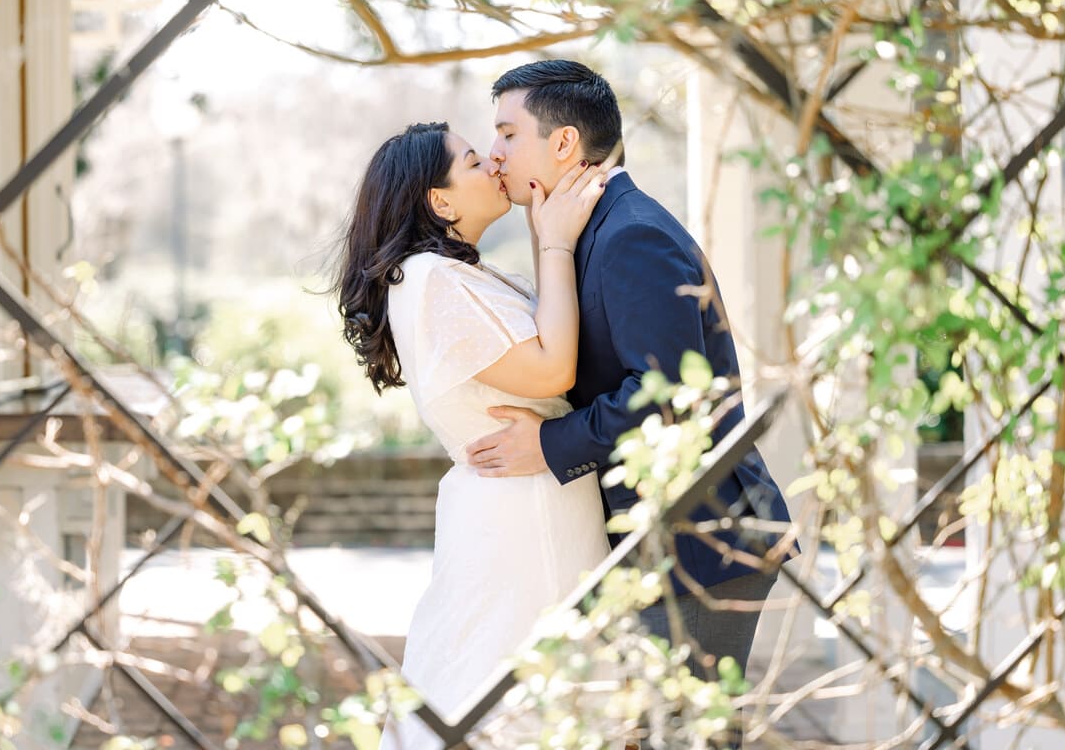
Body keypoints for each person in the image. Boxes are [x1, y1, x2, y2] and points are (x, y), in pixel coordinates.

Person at [465, 60, 796, 724]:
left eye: (506, 134)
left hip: (705, 542)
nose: (494, 153)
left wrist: (547, 445)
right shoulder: (590, 228)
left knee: (684, 738)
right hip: (662, 543)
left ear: (562, 144)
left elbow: (667, 394)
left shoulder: (631, 235)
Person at [334, 122, 613, 749]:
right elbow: (551, 368)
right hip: (522, 515)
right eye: (470, 158)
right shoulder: (429, 279)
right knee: (510, 704)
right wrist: (556, 244)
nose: (492, 159)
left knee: (530, 700)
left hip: (529, 502)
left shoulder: (453, 275)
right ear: (441, 201)